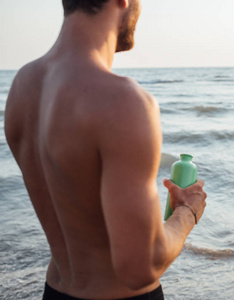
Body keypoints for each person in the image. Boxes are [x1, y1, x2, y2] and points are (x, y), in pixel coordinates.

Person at [4, 1, 207, 299]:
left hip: (56, 290)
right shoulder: (122, 101)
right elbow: (140, 267)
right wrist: (187, 212)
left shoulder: (23, 86)